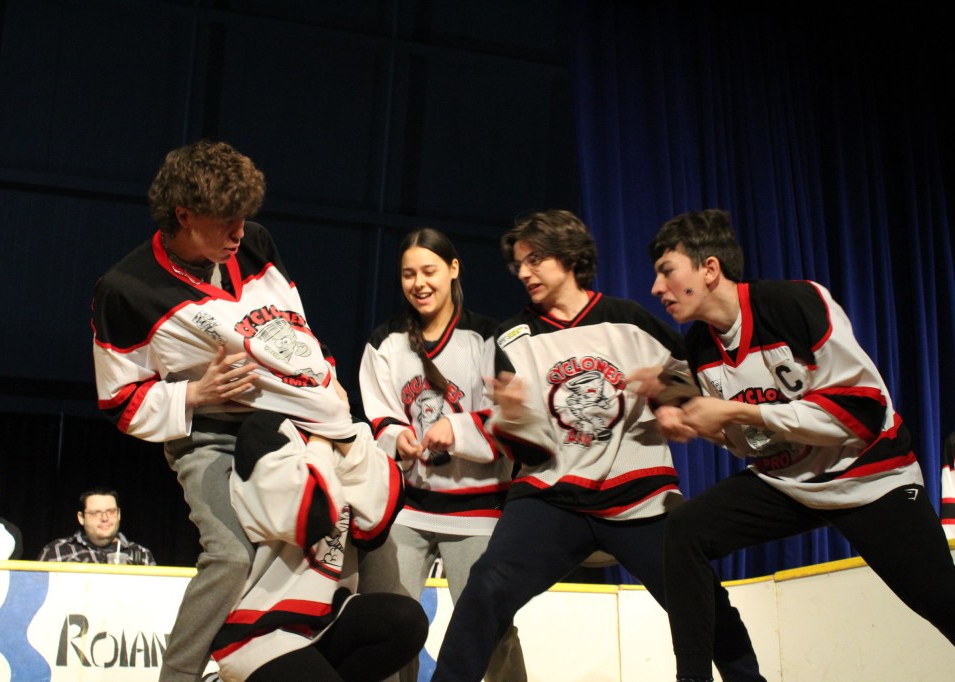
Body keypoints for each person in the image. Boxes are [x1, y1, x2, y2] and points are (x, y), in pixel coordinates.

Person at [430, 210, 762, 682]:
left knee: (703, 599)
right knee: (486, 587)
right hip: (552, 497)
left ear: (569, 257)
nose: (524, 273)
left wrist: (668, 397)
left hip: (640, 496)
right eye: (519, 265)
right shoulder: (510, 338)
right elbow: (521, 448)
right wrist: (514, 418)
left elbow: (694, 383)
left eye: (535, 260)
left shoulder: (631, 319)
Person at [92, 140, 372, 681]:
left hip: (292, 428)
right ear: (184, 215)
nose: (239, 232)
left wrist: (330, 377)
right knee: (231, 557)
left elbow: (295, 329)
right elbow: (118, 400)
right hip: (209, 437)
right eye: (226, 221)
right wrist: (194, 395)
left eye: (243, 218)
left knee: (365, 526)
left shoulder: (256, 243)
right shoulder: (126, 289)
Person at [638, 208, 955, 682]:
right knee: (684, 531)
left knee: (943, 603)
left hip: (867, 477)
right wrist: (699, 423)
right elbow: (755, 442)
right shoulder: (700, 346)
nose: (656, 288)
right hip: (787, 482)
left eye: (667, 271)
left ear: (709, 269)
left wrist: (737, 413)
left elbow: (861, 413)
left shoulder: (794, 302)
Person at [358, 228, 525, 681]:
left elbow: (509, 422)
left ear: (453, 269)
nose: (419, 283)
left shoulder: (487, 338)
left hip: (478, 509)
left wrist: (458, 428)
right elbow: (379, 416)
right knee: (391, 625)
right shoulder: (385, 342)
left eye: (429, 271)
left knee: (490, 627)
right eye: (408, 274)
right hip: (408, 508)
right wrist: (398, 438)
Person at [206, 410, 427, 682]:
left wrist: (340, 435)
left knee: (407, 621)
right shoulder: (266, 428)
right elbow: (310, 516)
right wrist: (323, 439)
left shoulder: (352, 431)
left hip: (326, 618)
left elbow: (375, 525)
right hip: (261, 627)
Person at [37, 486, 156, 565]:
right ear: (81, 518)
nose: (104, 518)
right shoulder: (56, 552)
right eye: (95, 513)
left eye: (111, 511)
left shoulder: (142, 555)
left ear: (119, 514)